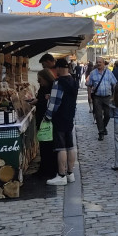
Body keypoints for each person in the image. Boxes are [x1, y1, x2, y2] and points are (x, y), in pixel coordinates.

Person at [45, 58, 79, 186]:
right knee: (70, 145)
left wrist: (47, 116)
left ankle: (61, 175)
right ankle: (70, 173)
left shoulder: (58, 82)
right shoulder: (73, 81)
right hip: (70, 116)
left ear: (58, 68)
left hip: (59, 117)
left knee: (61, 147)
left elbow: (55, 103)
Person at [28, 68, 57, 179]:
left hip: (47, 121)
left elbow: (48, 103)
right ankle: (44, 169)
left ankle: (48, 170)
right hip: (42, 119)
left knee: (47, 146)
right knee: (44, 146)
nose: (39, 82)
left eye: (40, 80)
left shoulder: (51, 88)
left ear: (45, 78)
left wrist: (38, 101)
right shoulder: (44, 87)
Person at [86, 57, 117, 140]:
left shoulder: (109, 73)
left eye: (100, 62)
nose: (98, 63)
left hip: (107, 97)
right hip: (97, 97)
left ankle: (103, 127)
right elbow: (89, 85)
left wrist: (114, 95)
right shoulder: (93, 73)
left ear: (104, 63)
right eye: (97, 62)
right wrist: (89, 96)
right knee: (98, 115)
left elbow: (114, 83)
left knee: (108, 114)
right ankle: (101, 132)